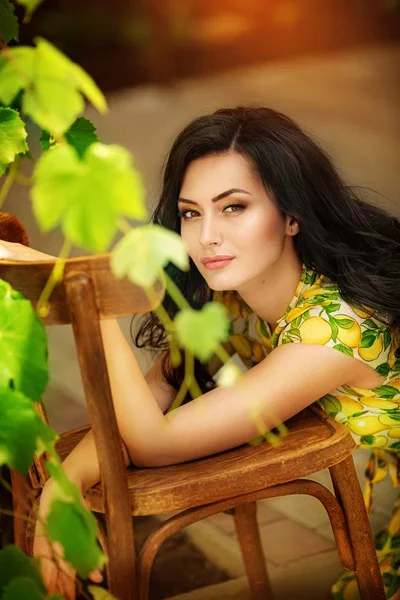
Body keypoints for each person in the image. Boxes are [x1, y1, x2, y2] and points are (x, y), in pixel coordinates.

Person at [1, 106, 399, 599]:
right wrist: (63, 491)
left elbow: (153, 442)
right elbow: (153, 399)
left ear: (292, 215)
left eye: (234, 207)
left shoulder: (333, 329)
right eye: (191, 213)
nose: (205, 235)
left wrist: (86, 298)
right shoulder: (231, 302)